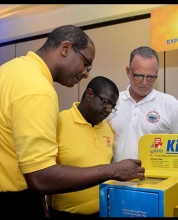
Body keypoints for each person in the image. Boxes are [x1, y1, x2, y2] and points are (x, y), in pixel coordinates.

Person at [0, 25, 145, 218]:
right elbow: (41, 177)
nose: (86, 73)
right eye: (86, 63)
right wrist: (113, 170)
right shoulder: (38, 90)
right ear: (65, 49)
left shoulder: (10, 70)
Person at [49, 76, 119, 218]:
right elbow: (43, 173)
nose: (108, 110)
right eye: (106, 103)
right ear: (89, 94)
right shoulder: (59, 122)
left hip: (104, 212)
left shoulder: (107, 128)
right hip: (64, 214)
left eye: (112, 106)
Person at [107, 46, 178, 162]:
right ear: (128, 72)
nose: (145, 83)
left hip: (157, 178)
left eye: (151, 77)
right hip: (115, 178)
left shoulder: (170, 105)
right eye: (139, 76)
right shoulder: (113, 102)